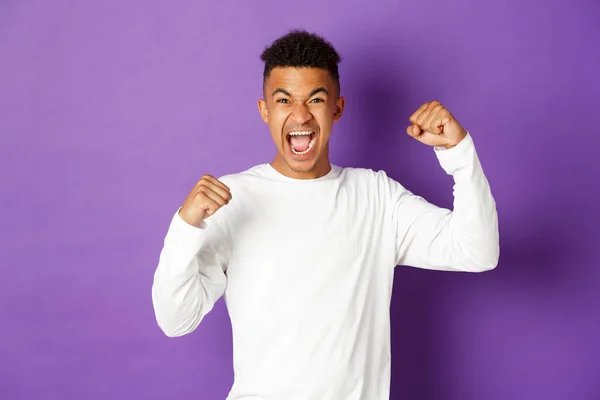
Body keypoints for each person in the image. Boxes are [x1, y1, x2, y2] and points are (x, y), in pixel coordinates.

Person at [151, 29, 499, 400]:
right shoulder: (232, 198)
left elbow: (477, 251)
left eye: (315, 99)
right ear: (264, 110)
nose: (300, 115)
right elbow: (176, 320)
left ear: (337, 108)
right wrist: (185, 226)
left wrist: (459, 155)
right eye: (284, 100)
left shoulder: (376, 197)